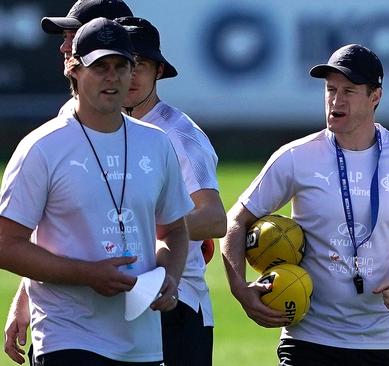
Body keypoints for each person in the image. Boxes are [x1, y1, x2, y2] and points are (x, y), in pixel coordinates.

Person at [221, 43, 389, 366]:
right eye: (330, 89)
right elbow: (236, 220)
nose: (335, 99)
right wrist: (239, 288)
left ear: (375, 97)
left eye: (349, 91)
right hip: (307, 341)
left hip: (381, 342)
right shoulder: (296, 157)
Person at [0, 17, 193, 365]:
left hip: (142, 341)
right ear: (74, 70)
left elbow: (174, 230)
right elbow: (5, 245)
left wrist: (170, 275)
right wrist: (87, 275)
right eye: (99, 66)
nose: (112, 76)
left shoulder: (157, 144)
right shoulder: (41, 147)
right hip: (67, 337)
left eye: (121, 66)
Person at [4, 1, 134, 363]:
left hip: (156, 316)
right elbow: (62, 223)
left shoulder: (165, 133)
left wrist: (166, 257)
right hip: (71, 330)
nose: (64, 47)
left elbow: (203, 219)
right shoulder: (59, 130)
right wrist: (26, 295)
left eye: (73, 35)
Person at [114, 16, 227, 365]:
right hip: (119, 300)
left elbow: (213, 218)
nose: (131, 76)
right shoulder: (103, 131)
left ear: (159, 71)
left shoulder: (178, 135)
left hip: (177, 302)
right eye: (122, 65)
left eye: (141, 66)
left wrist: (142, 232)